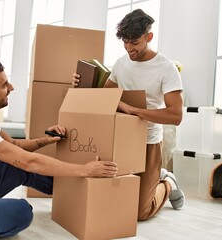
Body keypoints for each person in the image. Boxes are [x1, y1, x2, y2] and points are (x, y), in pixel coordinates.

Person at [0, 59, 118, 239]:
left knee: (17, 165)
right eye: (4, 85)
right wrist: (85, 169)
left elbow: (15, 146)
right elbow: (28, 161)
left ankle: (69, 195)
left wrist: (47, 139)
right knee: (21, 210)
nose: (11, 87)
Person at [73, 8, 184, 221]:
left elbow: (175, 116)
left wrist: (135, 111)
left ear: (149, 37)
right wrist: (80, 84)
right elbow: (106, 97)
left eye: (134, 42)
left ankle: (168, 182)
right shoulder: (121, 64)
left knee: (141, 213)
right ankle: (155, 179)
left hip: (149, 142)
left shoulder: (166, 68)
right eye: (125, 42)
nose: (129, 48)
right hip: (122, 139)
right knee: (116, 201)